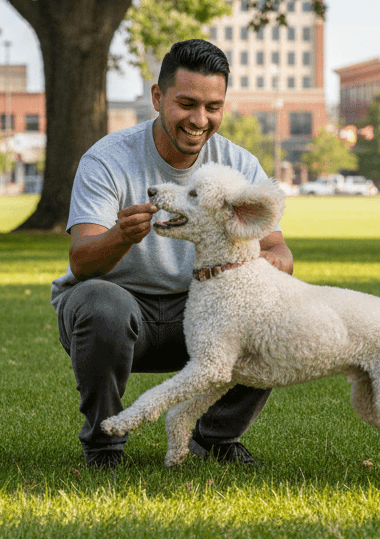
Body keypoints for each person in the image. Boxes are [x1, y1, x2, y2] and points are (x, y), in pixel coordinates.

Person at [50, 39, 294, 469]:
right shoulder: (107, 159)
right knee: (101, 303)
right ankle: (104, 447)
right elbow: (82, 262)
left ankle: (216, 438)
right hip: (124, 318)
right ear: (158, 98)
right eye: (187, 103)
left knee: (278, 308)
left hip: (204, 313)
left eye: (213, 106)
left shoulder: (238, 164)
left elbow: (278, 248)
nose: (200, 120)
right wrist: (121, 236)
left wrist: (273, 266)